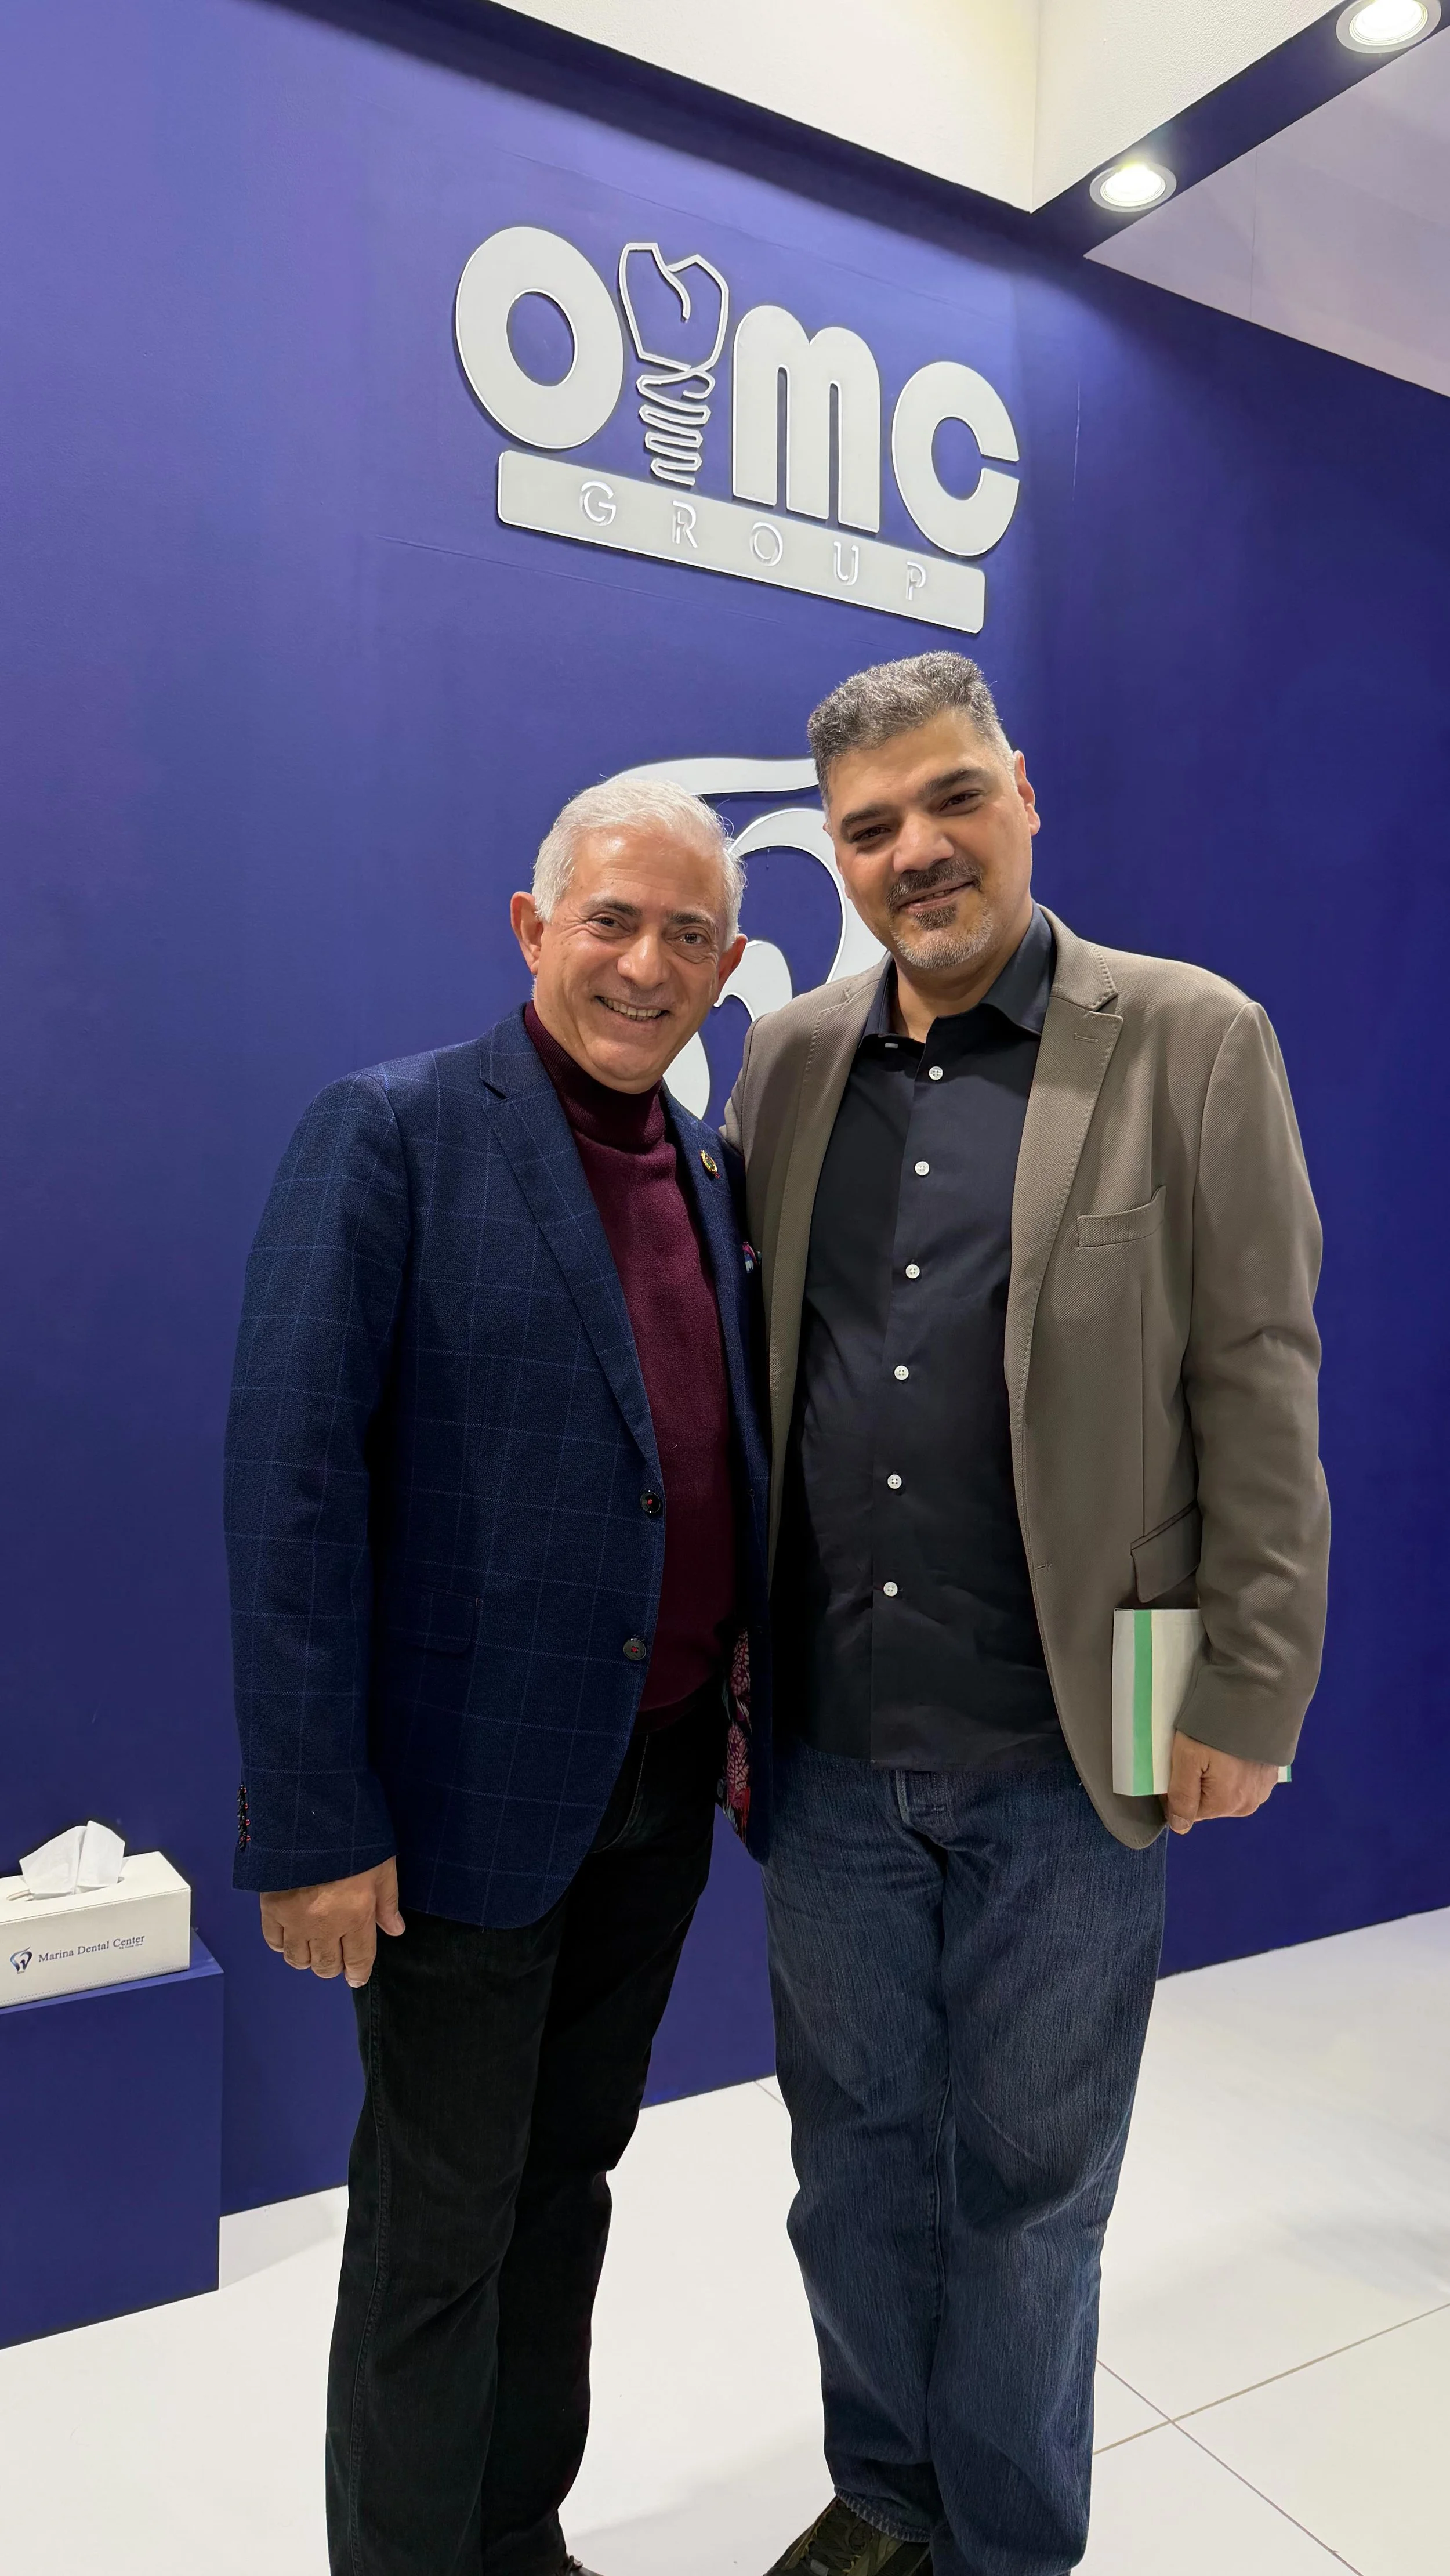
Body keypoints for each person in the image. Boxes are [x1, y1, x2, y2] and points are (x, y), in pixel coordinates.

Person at [724, 652, 1329, 2576]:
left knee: (1031, 2189)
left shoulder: (1188, 1037)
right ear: (837, 856)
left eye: (950, 798)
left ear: (1023, 797)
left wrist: (1245, 1685)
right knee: (850, 2171)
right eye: (868, 827)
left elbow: (1256, 1376)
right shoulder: (788, 1061)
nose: (915, 850)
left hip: (1071, 1743)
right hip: (827, 1750)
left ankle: (1003, 2542)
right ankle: (884, 2497)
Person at [224, 778, 771, 2576]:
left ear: (729, 967)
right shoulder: (390, 1134)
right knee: (436, 2228)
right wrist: (316, 1823)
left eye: (687, 935)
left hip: (657, 1787)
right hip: (458, 1808)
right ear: (533, 929)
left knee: (565, 2188)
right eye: (612, 921)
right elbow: (294, 1490)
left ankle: (516, 2535)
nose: (645, 965)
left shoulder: (710, 1173)